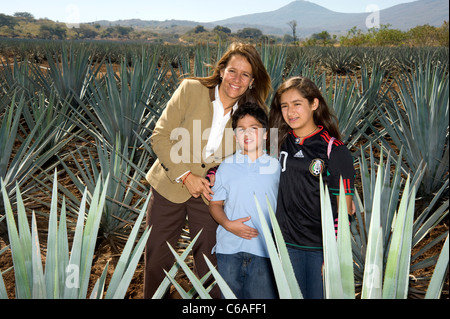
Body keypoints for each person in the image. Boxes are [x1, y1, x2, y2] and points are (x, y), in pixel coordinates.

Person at [143, 42, 271, 299]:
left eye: (245, 75)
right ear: (221, 69)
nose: (237, 79)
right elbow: (161, 135)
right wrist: (186, 176)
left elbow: (249, 160)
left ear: (252, 81)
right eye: (232, 71)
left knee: (211, 266)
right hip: (170, 185)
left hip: (211, 196)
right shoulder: (191, 90)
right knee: (157, 256)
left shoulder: (251, 115)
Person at [269, 76, 355, 299]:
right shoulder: (277, 142)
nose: (290, 112)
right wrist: (212, 173)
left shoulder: (333, 150)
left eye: (297, 104)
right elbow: (242, 158)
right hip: (285, 244)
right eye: (285, 106)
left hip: (319, 249)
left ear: (314, 104)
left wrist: (332, 254)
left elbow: (344, 209)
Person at [209, 102, 280, 299]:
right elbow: (215, 204)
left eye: (254, 128)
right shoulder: (226, 166)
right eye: (241, 130)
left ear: (266, 134)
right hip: (229, 249)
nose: (247, 134)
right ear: (235, 137)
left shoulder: (276, 167)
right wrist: (228, 224)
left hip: (264, 251)